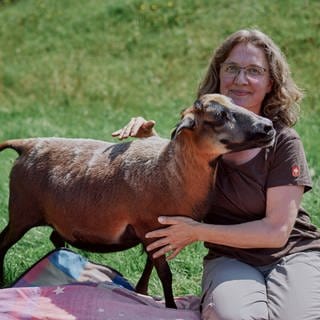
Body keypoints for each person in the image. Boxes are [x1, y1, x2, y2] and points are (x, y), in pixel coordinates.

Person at [112, 29, 320, 320]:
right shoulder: (202, 132)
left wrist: (196, 232)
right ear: (219, 73)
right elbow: (175, 172)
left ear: (270, 82)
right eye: (232, 68)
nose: (240, 79)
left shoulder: (283, 141)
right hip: (230, 257)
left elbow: (277, 232)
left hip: (292, 253)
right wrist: (149, 140)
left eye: (254, 71)